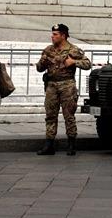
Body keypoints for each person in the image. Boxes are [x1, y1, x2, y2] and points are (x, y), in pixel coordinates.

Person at [36, 24, 91, 156]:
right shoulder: (48, 50)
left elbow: (88, 64)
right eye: (52, 34)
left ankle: (71, 145)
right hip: (52, 86)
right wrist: (42, 62)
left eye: (55, 34)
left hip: (67, 86)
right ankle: (49, 145)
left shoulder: (73, 50)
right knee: (50, 116)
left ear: (63, 35)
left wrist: (74, 62)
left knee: (69, 116)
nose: (52, 37)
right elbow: (39, 68)